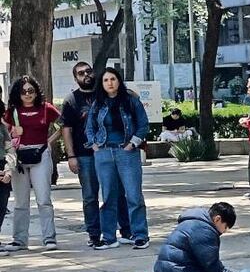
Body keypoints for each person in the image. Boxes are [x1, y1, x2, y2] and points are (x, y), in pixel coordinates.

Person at [61, 62, 132, 248]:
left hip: (109, 151)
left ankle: (126, 230)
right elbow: (66, 130)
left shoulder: (104, 93)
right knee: (90, 196)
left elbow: (131, 97)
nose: (86, 75)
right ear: (75, 78)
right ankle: (94, 234)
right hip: (85, 155)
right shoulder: (71, 100)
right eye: (81, 73)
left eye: (88, 71)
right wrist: (71, 156)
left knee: (118, 192)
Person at [86, 68, 150, 250]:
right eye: (106, 80)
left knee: (133, 195)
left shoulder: (130, 100)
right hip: (104, 152)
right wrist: (95, 146)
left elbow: (143, 124)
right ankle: (108, 237)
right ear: (102, 84)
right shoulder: (98, 104)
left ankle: (140, 235)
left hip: (126, 151)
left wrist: (132, 144)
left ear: (119, 81)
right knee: (108, 196)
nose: (110, 83)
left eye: (113, 79)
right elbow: (89, 127)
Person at [150, 202, 237, 272]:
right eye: (225, 227)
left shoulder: (191, 222)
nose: (224, 232)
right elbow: (212, 266)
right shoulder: (205, 231)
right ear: (217, 219)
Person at [4, 75, 60, 251]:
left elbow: (63, 125)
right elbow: (4, 134)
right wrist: (13, 133)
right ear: (17, 94)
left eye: (31, 90)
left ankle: (49, 238)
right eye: (23, 91)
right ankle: (19, 240)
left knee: (43, 199)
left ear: (36, 92)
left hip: (40, 154)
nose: (27, 94)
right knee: (20, 201)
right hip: (19, 156)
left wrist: (49, 141)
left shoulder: (46, 108)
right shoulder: (12, 112)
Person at [0, 96, 14, 254]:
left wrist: (9, 169)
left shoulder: (2, 128)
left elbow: (10, 150)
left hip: (2, 168)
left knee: (2, 206)